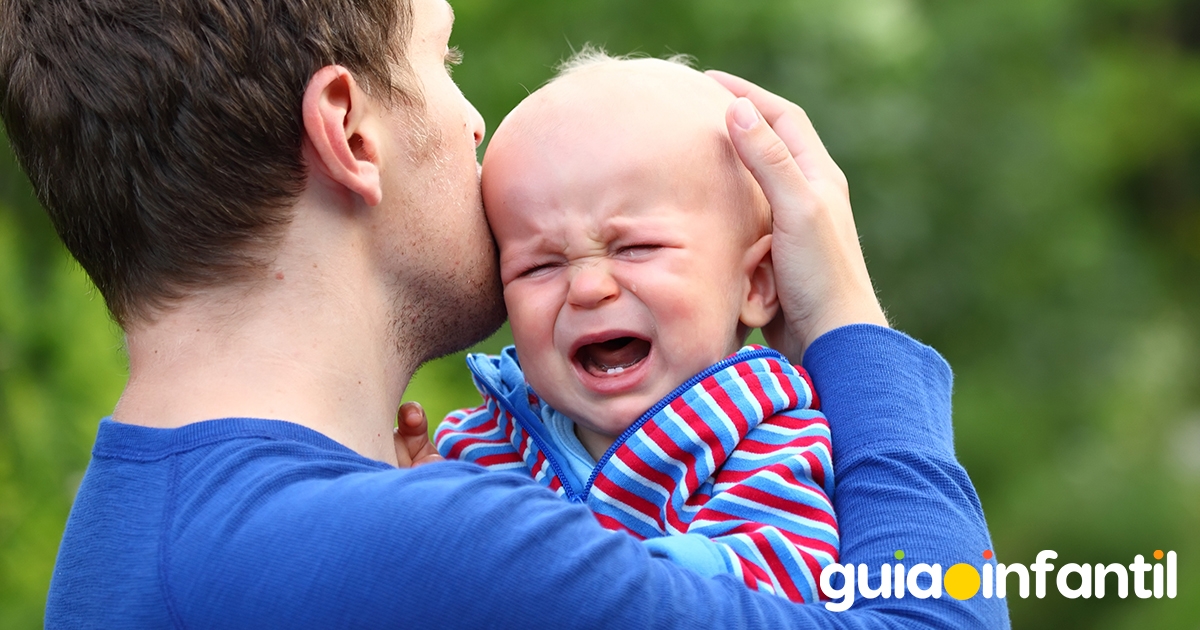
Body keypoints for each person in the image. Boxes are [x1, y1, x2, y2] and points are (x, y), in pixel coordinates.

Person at [0, 0, 1010, 627]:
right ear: (350, 128)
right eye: (445, 63)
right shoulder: (417, 549)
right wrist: (848, 328)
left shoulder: (136, 524)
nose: (474, 119)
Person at [436, 54, 838, 603]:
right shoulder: (484, 442)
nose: (587, 287)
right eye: (539, 266)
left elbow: (791, 577)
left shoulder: (768, 439)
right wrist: (409, 493)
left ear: (756, 285)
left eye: (635, 247)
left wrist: (609, 579)